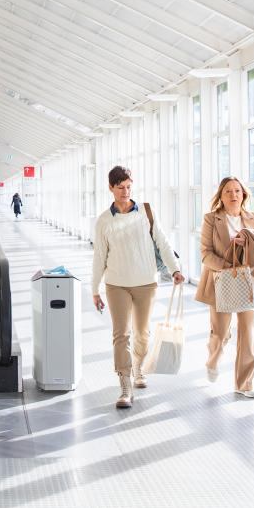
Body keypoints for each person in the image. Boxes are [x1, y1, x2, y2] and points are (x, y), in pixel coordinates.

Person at [92, 166, 183, 409]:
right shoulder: (104, 220)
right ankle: (124, 384)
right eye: (120, 187)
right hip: (116, 284)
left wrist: (175, 269)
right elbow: (99, 257)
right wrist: (95, 289)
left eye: (128, 187)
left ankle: (138, 368)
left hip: (145, 282)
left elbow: (162, 242)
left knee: (142, 333)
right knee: (121, 334)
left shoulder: (145, 211)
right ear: (111, 188)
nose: (125, 191)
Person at [197, 176, 254, 399]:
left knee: (248, 334)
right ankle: (213, 359)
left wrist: (248, 245)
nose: (233, 195)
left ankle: (244, 384)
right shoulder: (211, 219)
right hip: (221, 281)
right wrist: (228, 266)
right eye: (228, 191)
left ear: (243, 194)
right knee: (220, 333)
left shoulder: (253, 218)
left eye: (237, 190)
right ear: (221, 195)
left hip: (248, 282)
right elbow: (206, 254)